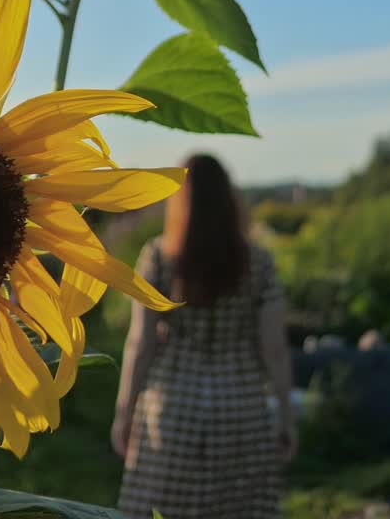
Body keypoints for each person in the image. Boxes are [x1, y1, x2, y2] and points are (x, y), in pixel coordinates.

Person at [111, 154, 295, 519]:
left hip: (171, 408)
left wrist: (124, 412)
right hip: (241, 409)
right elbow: (274, 347)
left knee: (159, 510)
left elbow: (140, 343)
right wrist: (287, 416)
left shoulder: (158, 258)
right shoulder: (258, 263)